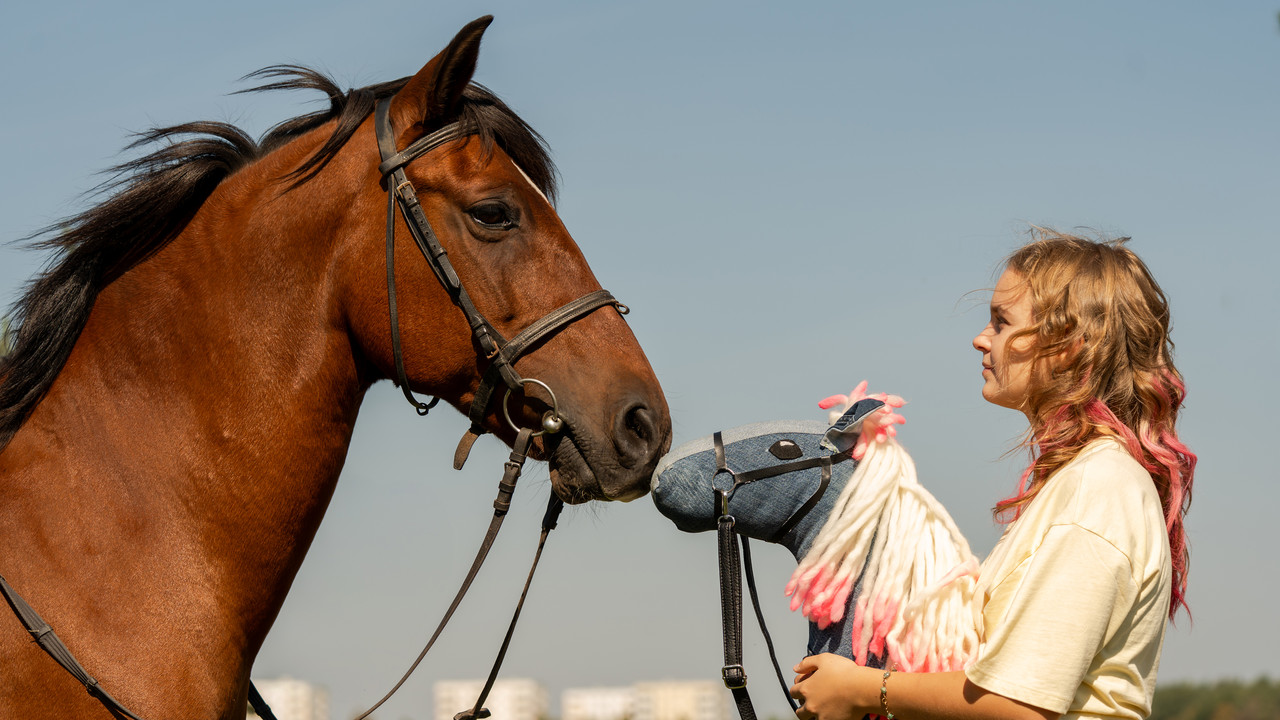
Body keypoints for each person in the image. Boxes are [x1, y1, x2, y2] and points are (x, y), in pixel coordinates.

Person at [789, 230, 1196, 720]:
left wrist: (862, 688)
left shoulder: (1097, 487)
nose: (981, 338)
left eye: (1001, 323)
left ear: (1067, 347)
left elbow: (1021, 704)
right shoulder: (1085, 480)